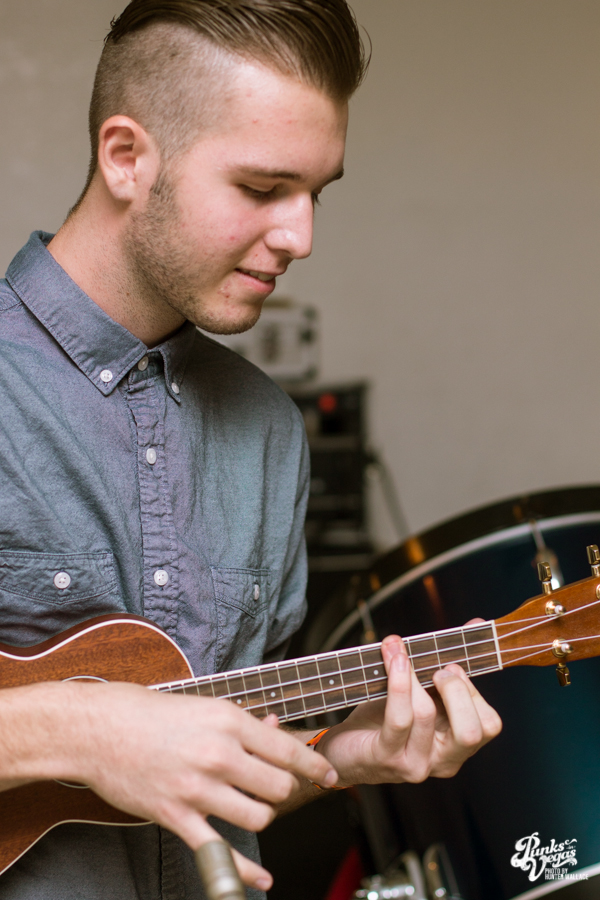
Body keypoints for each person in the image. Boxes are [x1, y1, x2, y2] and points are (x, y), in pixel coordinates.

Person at [0, 1, 502, 898]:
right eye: (263, 189)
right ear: (126, 157)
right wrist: (85, 730)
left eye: (317, 193)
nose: (301, 238)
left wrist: (344, 755)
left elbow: (231, 758)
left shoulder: (269, 428)